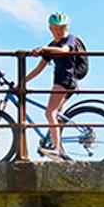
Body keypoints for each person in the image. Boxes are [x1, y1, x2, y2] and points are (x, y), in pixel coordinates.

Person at [22, 12, 84, 160]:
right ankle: (55, 145)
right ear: (50, 29)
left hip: (65, 79)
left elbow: (64, 51)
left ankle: (57, 149)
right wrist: (21, 83)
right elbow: (38, 69)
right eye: (55, 28)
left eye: (62, 27)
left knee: (49, 113)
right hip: (62, 80)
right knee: (56, 116)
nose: (59, 31)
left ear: (67, 27)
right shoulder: (51, 46)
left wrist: (44, 49)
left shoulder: (70, 39)